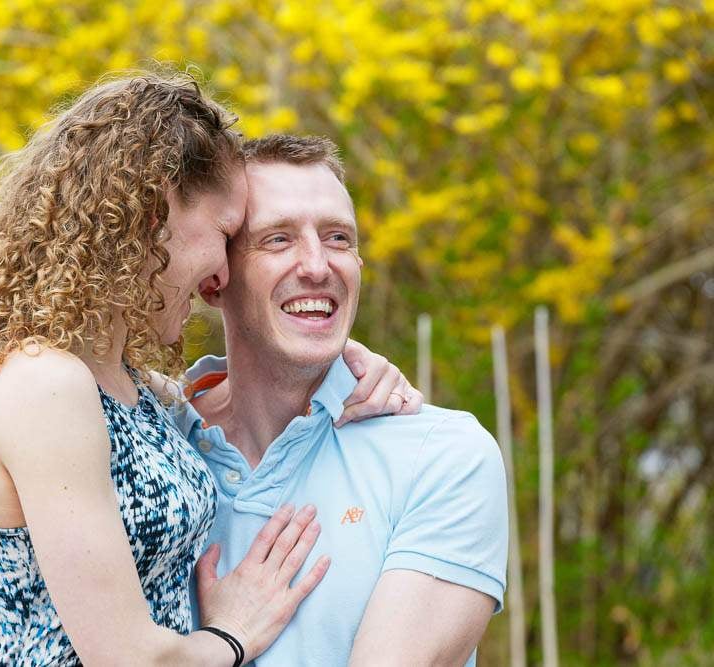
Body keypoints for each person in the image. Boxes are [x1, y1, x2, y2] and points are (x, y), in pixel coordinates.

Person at [0, 74, 421, 665]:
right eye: (226, 235)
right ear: (152, 213)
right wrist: (233, 633)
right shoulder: (41, 384)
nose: (220, 277)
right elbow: (132, 660)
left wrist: (352, 364)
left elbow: (245, 388)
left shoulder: (122, 386)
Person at [181, 135, 509, 666]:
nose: (317, 265)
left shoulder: (442, 456)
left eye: (337, 238)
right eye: (278, 239)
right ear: (214, 278)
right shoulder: (150, 447)